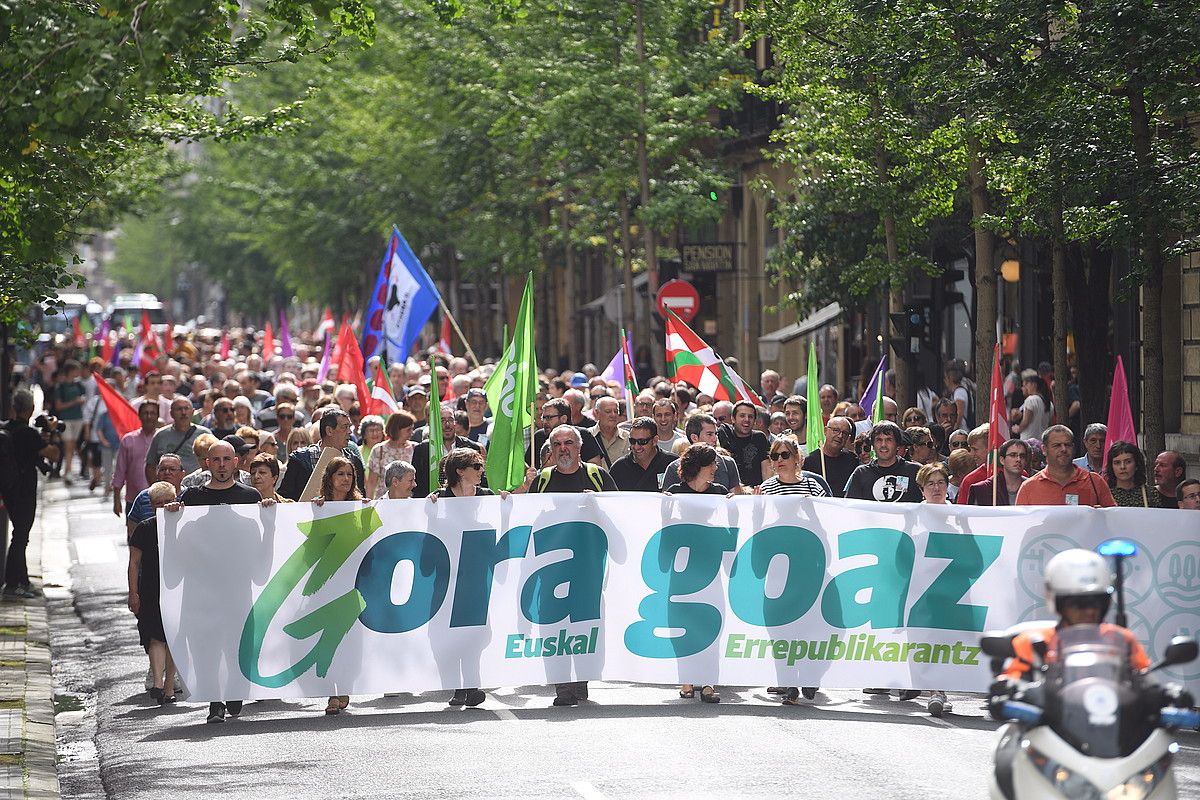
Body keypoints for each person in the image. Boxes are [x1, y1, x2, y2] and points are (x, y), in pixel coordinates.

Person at [168, 440, 263, 723]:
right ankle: (214, 701)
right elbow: (180, 542)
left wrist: (269, 514)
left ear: (236, 462)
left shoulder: (250, 496)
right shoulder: (192, 498)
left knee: (236, 643)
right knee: (205, 646)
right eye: (216, 460)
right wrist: (173, 517)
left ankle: (235, 689)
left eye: (226, 459)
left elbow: (261, 539)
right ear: (207, 464)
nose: (221, 465)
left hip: (238, 589)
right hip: (202, 591)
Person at [528, 425, 615, 707]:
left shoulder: (597, 476)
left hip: (588, 568)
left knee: (585, 624)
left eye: (568, 442)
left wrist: (597, 505)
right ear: (551, 450)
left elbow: (620, 513)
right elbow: (526, 517)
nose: (563, 448)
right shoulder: (542, 480)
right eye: (557, 444)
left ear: (579, 447)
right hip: (551, 570)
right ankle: (562, 686)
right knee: (553, 627)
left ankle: (582, 679)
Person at [427, 448, 511, 709]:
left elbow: (499, 527)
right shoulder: (439, 498)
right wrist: (429, 512)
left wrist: (506, 507)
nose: (480, 470)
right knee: (448, 632)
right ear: (459, 471)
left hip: (476, 575)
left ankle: (471, 685)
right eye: (475, 466)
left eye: (481, 465)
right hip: (447, 576)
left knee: (475, 633)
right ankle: (458, 686)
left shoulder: (486, 496)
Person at [309, 456, 367, 716]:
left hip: (353, 582)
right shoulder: (318, 507)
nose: (345, 479)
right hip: (327, 583)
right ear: (329, 478)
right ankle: (333, 692)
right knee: (330, 637)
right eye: (340, 474)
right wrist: (315, 512)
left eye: (349, 475)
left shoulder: (360, 507)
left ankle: (344, 684)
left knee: (350, 639)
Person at [0, 391, 60, 597]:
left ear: (14, 408)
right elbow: (53, 453)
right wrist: (52, 433)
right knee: (21, 536)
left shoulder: (7, 428)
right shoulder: (28, 433)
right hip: (24, 490)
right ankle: (11, 584)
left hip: (9, 489)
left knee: (20, 534)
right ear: (31, 408)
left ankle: (23, 581)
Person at [127, 481, 180, 705]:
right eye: (158, 503)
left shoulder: (183, 524)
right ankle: (158, 684)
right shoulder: (145, 528)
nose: (164, 506)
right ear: (151, 505)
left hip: (178, 587)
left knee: (174, 637)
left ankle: (169, 686)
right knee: (155, 635)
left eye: (168, 501)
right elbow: (133, 562)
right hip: (151, 588)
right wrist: (133, 593)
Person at [914, 461, 954, 716]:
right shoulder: (913, 516)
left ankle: (942, 688)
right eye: (931, 484)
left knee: (948, 641)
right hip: (922, 590)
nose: (937, 488)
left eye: (941, 482)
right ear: (922, 490)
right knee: (927, 640)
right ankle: (934, 690)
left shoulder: (961, 515)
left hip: (953, 590)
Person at [1015, 425, 1116, 507]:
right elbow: (1020, 526)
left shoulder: (1095, 481)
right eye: (1057, 445)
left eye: (1067, 445)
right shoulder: (1028, 487)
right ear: (1044, 449)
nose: (1063, 449)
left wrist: (1103, 515)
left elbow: (1113, 520)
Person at [277, 408, 365, 500]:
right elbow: (285, 497)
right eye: (344, 427)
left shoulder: (354, 461)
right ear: (329, 431)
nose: (349, 432)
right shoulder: (300, 459)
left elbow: (360, 496)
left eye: (349, 427)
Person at [412, 404, 484, 498]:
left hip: (468, 502)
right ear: (435, 424)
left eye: (450, 420)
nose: (447, 425)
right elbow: (417, 484)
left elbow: (481, 478)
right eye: (442, 421)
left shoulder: (471, 447)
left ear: (455, 423)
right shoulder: (422, 449)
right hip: (433, 504)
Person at [661, 413, 743, 494]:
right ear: (694, 438)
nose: (715, 439)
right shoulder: (674, 467)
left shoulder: (728, 463)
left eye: (716, 434)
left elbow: (736, 500)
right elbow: (666, 501)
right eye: (709, 434)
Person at [843, 422, 922, 503]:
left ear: (898, 445)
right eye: (879, 440)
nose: (883, 445)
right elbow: (851, 507)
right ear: (872, 445)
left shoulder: (915, 471)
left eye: (889, 440)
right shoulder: (861, 473)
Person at [112, 402, 161, 518]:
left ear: (158, 416)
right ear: (139, 416)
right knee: (134, 535)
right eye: (145, 413)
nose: (149, 416)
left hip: (161, 501)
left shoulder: (164, 438)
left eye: (152, 413)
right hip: (134, 501)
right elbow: (120, 471)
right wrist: (116, 499)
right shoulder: (128, 440)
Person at [145, 396, 209, 483]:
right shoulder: (160, 435)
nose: (183, 412)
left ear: (193, 411)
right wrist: (156, 488)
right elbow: (150, 466)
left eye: (186, 408)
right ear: (171, 413)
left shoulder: (205, 434)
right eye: (179, 409)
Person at [609, 417, 678, 492]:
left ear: (655, 441)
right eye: (632, 441)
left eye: (642, 441)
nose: (636, 446)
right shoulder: (619, 468)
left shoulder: (673, 465)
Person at [718, 401, 773, 488]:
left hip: (757, 493)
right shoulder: (725, 432)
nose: (747, 420)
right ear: (733, 419)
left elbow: (766, 468)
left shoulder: (760, 437)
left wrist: (767, 491)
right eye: (742, 416)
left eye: (750, 416)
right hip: (731, 494)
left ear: (755, 421)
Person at [801, 416, 858, 498]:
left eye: (844, 433)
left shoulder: (852, 460)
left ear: (848, 438)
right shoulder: (809, 461)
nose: (840, 436)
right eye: (836, 430)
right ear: (825, 431)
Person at [756, 437, 830, 497]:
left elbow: (824, 512)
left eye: (785, 455)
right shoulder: (766, 488)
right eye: (775, 456)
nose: (779, 460)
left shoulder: (812, 486)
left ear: (796, 457)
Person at [366, 410, 415, 498]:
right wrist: (368, 506)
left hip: (409, 502)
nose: (412, 432)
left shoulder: (415, 448)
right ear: (397, 429)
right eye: (408, 430)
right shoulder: (379, 450)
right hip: (384, 503)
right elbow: (371, 482)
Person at [968, 439, 1028, 506]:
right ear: (1002, 460)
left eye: (1022, 456)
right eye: (1013, 455)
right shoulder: (983, 490)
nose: (1018, 459)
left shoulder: (1032, 486)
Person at [54, 360, 86, 482]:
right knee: (68, 446)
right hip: (66, 419)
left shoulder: (79, 385)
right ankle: (67, 471)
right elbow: (58, 406)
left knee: (72, 446)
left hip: (78, 418)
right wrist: (74, 402)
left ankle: (68, 470)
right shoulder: (60, 387)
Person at [1104, 441, 1158, 508]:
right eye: (1117, 463)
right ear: (1111, 467)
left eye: (1128, 462)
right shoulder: (1104, 495)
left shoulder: (1151, 494)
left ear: (1136, 465)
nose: (1122, 467)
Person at [587, 396, 629, 468]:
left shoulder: (628, 438)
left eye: (616, 411)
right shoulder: (587, 436)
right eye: (608, 411)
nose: (613, 415)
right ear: (597, 413)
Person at [1010, 374, 1053, 440]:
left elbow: (1026, 421)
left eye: (1027, 385)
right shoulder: (1049, 403)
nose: (1026, 387)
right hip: (1041, 440)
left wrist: (1018, 429)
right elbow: (1049, 424)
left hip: (1029, 438)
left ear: (1033, 385)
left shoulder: (1031, 400)